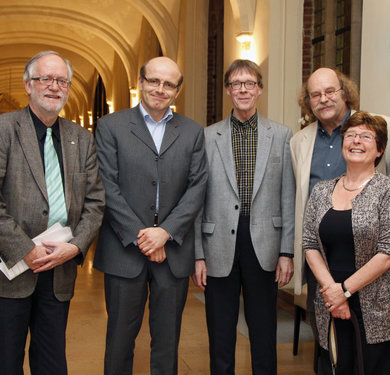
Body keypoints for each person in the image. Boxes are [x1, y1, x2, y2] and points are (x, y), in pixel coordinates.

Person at [94, 56, 208, 375]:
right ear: (141, 82)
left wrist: (165, 232)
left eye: (168, 84)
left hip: (172, 252)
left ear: (177, 91)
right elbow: (106, 185)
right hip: (123, 250)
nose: (160, 89)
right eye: (154, 81)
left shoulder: (192, 132)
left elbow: (197, 186)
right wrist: (143, 236)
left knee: (167, 342)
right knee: (119, 340)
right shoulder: (111, 126)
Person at [0, 51, 105, 374]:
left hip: (59, 271)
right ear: (28, 85)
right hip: (10, 272)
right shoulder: (5, 129)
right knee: (6, 361)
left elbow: (96, 201)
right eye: (45, 78)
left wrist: (74, 247)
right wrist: (25, 249)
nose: (54, 86)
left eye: (62, 80)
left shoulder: (81, 139)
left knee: (51, 363)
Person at [192, 59, 295, 375]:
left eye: (249, 83)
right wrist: (198, 254)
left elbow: (287, 197)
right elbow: (196, 199)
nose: (243, 89)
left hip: (264, 244)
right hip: (217, 243)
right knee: (220, 332)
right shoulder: (207, 137)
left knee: (264, 332)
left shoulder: (281, 135)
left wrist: (286, 252)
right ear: (228, 91)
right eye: (236, 84)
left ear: (260, 89)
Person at [290, 68, 390, 341]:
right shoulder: (298, 142)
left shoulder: (381, 128)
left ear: (345, 92)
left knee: (370, 344)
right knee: (329, 343)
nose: (323, 99)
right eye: (315, 95)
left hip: (370, 259)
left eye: (330, 91)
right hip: (322, 261)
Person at [303, 111, 390, 374]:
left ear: (380, 149)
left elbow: (389, 251)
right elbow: (309, 244)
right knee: (334, 366)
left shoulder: (389, 190)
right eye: (350, 135)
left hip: (375, 306)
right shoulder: (321, 191)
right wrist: (332, 291)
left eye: (365, 136)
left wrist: (345, 291)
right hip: (329, 301)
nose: (356, 141)